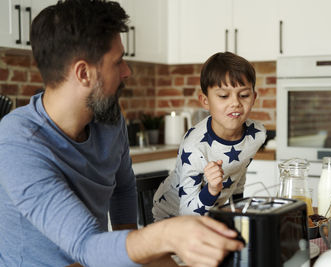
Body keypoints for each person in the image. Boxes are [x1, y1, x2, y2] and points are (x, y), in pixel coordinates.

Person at [0, 1, 243, 266]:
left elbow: (124, 188)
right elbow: (85, 244)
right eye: (118, 62)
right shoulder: (18, 142)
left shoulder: (108, 118)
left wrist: (141, 255)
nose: (127, 71)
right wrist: (168, 234)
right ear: (83, 73)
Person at [152, 52, 267, 221]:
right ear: (205, 101)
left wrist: (240, 216)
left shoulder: (257, 135)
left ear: (254, 97)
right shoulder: (195, 147)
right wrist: (212, 190)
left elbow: (239, 172)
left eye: (243, 95)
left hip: (212, 215)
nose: (235, 103)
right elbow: (187, 213)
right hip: (173, 218)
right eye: (223, 96)